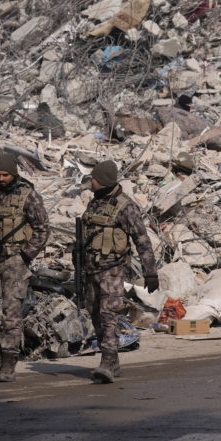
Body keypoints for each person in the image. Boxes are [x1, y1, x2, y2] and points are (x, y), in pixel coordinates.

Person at [0, 152, 49, 383]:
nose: (1, 178)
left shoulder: (28, 196)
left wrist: (26, 254)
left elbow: (43, 229)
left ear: (13, 174)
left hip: (14, 262)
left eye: (5, 174)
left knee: (11, 315)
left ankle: (9, 362)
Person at [81, 161, 158, 383]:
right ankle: (112, 361)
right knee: (95, 312)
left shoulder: (126, 207)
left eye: (93, 178)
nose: (91, 182)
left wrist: (150, 272)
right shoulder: (94, 204)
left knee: (108, 313)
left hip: (112, 269)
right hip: (90, 269)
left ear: (102, 180)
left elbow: (141, 240)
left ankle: (107, 359)